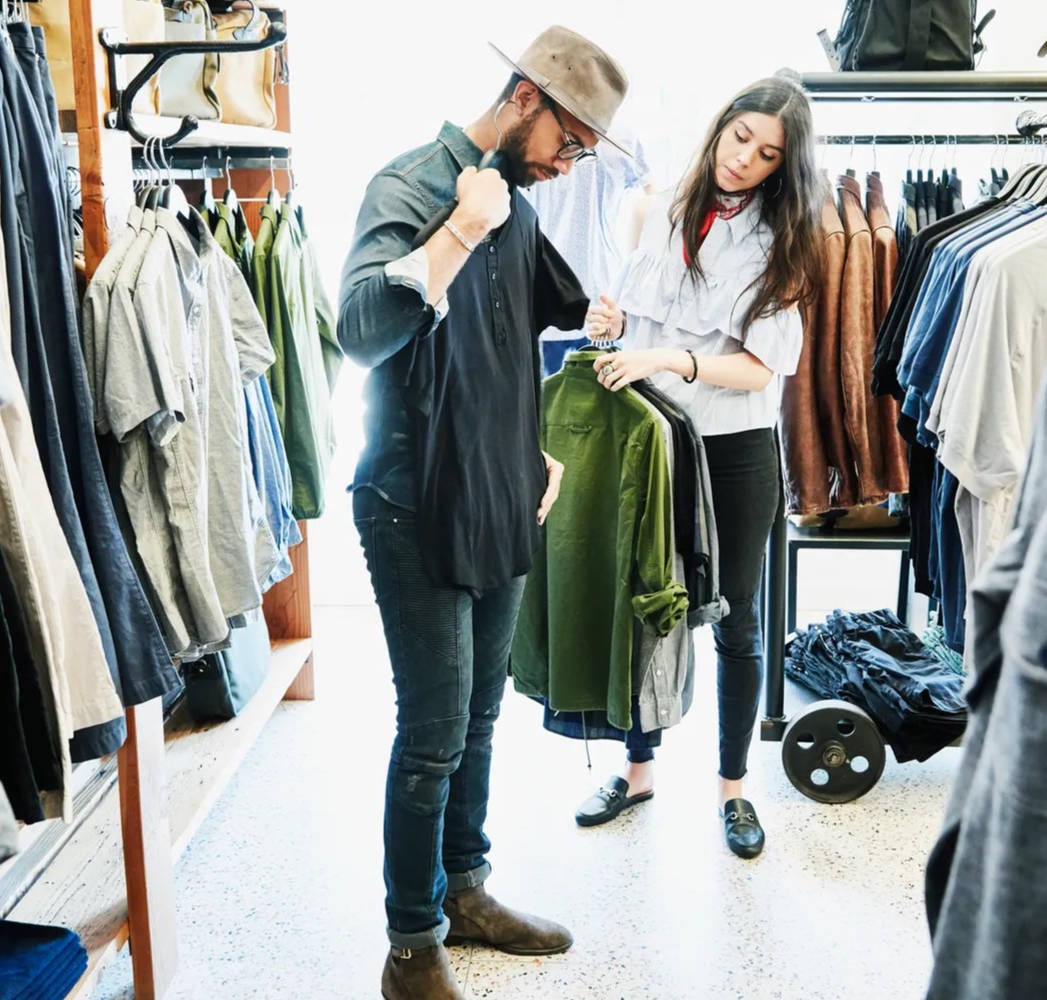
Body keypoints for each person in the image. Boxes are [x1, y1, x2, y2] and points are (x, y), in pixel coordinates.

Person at [336, 26, 631, 1000]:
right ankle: (410, 943)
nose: (569, 162)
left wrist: (529, 442)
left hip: (498, 486)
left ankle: (466, 889)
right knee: (431, 731)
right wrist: (457, 230)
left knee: (478, 715)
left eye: (586, 151)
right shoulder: (418, 188)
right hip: (412, 496)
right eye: (571, 141)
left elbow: (511, 342)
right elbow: (364, 333)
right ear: (524, 99)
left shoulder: (518, 200)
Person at [574, 73, 822, 859]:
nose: (744, 158)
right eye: (740, 136)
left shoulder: (787, 243)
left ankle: (734, 791)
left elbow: (759, 372)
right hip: (650, 438)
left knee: (736, 620)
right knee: (642, 601)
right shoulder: (654, 210)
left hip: (736, 447)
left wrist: (668, 356)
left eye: (767, 153)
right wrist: (610, 323)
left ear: (785, 167)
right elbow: (627, 321)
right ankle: (637, 770)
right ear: (721, 127)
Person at [526, 131, 657, 374]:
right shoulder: (541, 133)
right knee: (545, 406)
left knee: (602, 403)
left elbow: (656, 202)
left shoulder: (624, 140)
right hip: (547, 301)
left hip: (603, 303)